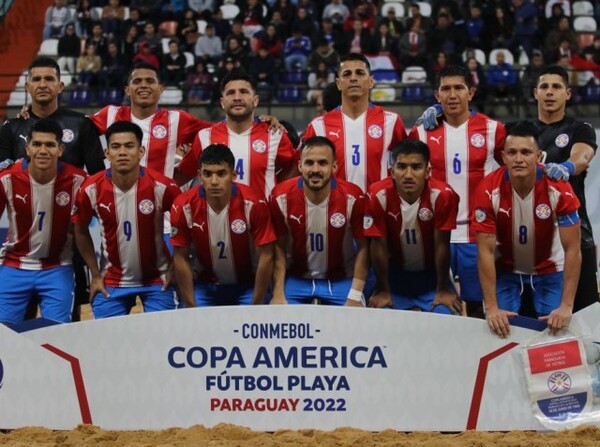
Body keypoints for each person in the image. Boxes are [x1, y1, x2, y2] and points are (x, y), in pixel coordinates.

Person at [0, 57, 105, 322]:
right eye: (37, 79)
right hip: (22, 241)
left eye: (49, 79)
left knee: (64, 325)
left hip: (65, 245)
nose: (43, 84)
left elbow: (99, 180)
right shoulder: (12, 128)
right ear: (27, 85)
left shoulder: (81, 124)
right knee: (14, 329)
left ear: (60, 85)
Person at [409, 65, 505, 317]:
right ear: (436, 95)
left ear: (471, 93)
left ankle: (477, 357)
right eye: (446, 89)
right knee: (435, 306)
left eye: (458, 88)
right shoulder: (421, 131)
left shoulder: (493, 129)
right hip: (435, 235)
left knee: (478, 308)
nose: (452, 95)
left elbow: (514, 172)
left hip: (478, 235)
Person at [473, 121, 582, 338]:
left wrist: (566, 306)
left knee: (556, 333)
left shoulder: (559, 188)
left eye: (526, 152)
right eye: (512, 152)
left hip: (550, 271)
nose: (519, 159)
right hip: (506, 272)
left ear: (539, 156)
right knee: (500, 333)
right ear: (503, 157)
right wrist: (492, 307)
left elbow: (573, 250)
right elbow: (485, 251)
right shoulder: (488, 189)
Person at [72, 121, 181, 318]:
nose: (122, 152)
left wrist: (176, 267)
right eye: (115, 146)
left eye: (129, 146)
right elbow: (79, 229)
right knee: (106, 343)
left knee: (163, 339)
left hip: (158, 280)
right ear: (107, 153)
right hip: (112, 281)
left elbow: (187, 226)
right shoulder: (90, 189)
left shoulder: (163, 186)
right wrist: (95, 274)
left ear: (141, 151)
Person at [0, 119, 87, 324]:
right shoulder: (6, 178)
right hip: (14, 266)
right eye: (37, 144)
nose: (43, 150)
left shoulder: (79, 181)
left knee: (57, 335)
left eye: (49, 145)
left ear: (60, 149)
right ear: (27, 148)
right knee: (3, 337)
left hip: (57, 267)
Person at [170, 144, 275, 307]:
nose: (214, 181)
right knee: (196, 329)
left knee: (248, 328)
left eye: (221, 174)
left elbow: (266, 256)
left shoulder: (254, 203)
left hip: (247, 285)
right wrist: (191, 307)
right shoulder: (184, 205)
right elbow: (180, 256)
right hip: (205, 287)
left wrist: (257, 304)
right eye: (207, 174)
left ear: (233, 175)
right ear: (199, 175)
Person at [270, 136, 369, 306]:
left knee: (355, 325)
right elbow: (279, 247)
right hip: (297, 280)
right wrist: (278, 292)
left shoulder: (354, 196)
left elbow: (364, 247)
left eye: (323, 163)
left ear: (334, 167)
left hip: (341, 279)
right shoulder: (280, 196)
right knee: (281, 323)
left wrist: (355, 293)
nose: (315, 169)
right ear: (300, 166)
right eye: (309, 163)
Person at [366, 139, 461, 314]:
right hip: (393, 275)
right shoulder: (376, 195)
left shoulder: (443, 196)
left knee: (446, 316)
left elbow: (442, 244)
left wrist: (442, 289)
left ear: (427, 171)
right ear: (392, 171)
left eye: (416, 167)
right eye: (402, 167)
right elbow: (378, 246)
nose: (408, 175)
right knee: (380, 317)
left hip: (432, 275)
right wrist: (384, 290)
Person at [533, 65, 599, 311]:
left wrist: (567, 167)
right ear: (535, 93)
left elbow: (583, 157)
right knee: (536, 316)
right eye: (544, 87)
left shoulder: (580, 129)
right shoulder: (520, 132)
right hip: (532, 234)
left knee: (586, 311)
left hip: (574, 230)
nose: (550, 92)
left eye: (557, 87)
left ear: (568, 94)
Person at [176, 73, 296, 198]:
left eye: (243, 92)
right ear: (222, 102)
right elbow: (183, 174)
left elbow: (295, 169)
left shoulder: (274, 134)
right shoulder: (205, 137)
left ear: (255, 100)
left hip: (262, 216)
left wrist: (278, 194)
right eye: (230, 93)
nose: (237, 97)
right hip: (219, 217)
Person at [302, 53, 407, 193]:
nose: (353, 78)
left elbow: (409, 164)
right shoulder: (318, 126)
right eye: (347, 74)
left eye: (360, 73)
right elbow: (301, 170)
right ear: (339, 83)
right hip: (335, 211)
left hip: (379, 210)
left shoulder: (392, 121)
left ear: (371, 81)